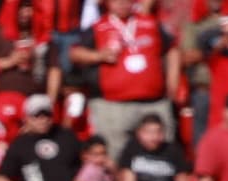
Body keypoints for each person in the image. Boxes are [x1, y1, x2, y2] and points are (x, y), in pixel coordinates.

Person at [70, 0, 180, 159]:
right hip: (113, 105)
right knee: (116, 157)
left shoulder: (149, 23)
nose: (122, 3)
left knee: (163, 156)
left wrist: (173, 81)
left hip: (154, 103)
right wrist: (98, 55)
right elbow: (75, 53)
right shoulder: (99, 27)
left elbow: (172, 49)